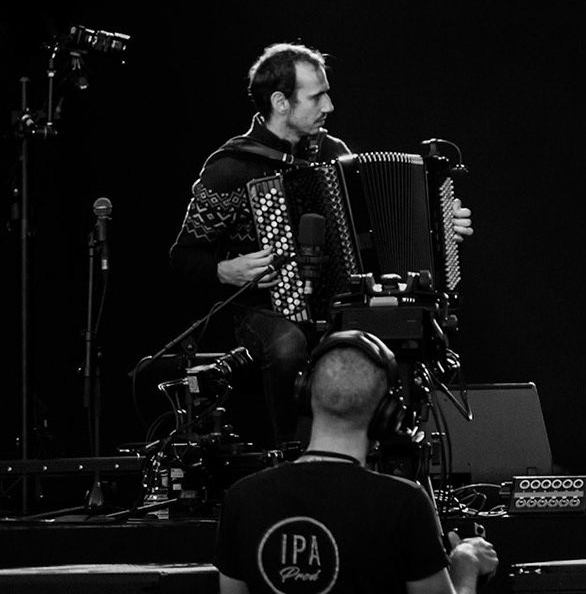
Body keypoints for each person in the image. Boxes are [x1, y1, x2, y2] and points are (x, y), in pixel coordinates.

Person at [170, 43, 474, 449]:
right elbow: (183, 257)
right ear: (280, 102)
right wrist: (226, 269)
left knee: (406, 327)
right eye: (316, 96)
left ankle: (384, 455)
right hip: (261, 311)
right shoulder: (230, 170)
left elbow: (378, 233)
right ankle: (291, 454)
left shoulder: (335, 155)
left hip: (337, 305)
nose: (329, 105)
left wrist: (437, 229)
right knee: (288, 342)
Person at [215, 329, 498, 594]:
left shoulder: (242, 499)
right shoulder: (404, 503)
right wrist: (465, 565)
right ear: (387, 415)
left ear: (304, 394)